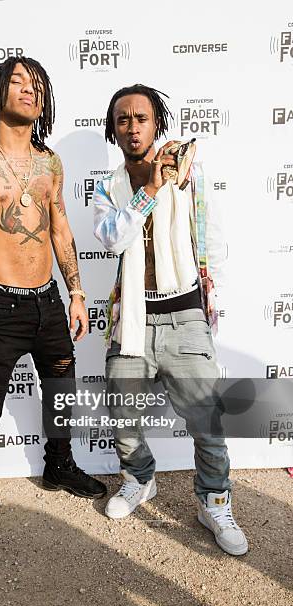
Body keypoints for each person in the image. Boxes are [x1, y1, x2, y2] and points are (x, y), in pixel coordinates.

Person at [0, 56, 106, 560]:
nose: (28, 91)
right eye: (17, 83)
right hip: (0, 307)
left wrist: (77, 292)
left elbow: (59, 227)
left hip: (49, 302)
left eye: (36, 86)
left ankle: (59, 464)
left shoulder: (51, 162)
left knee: (61, 391)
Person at [93, 84, 248, 556]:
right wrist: (150, 190)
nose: (133, 126)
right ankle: (140, 480)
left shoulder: (189, 173)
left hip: (183, 313)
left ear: (156, 122)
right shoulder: (110, 187)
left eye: (141, 117)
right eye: (123, 119)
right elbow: (111, 240)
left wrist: (208, 304)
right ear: (114, 130)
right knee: (121, 415)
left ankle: (213, 502)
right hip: (134, 319)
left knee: (208, 421)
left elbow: (212, 237)